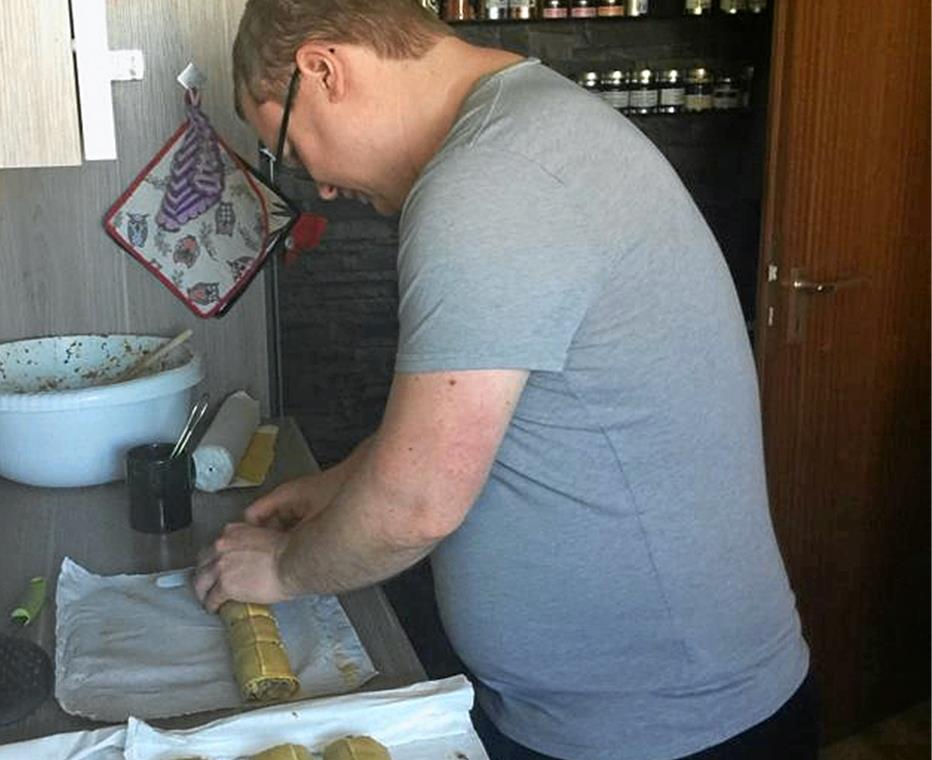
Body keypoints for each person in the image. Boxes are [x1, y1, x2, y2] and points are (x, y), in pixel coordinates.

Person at [192, 2, 816, 758]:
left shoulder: (488, 179)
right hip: (615, 716)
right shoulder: (529, 125)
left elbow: (417, 506)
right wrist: (339, 487)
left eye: (292, 150)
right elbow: (489, 421)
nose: (317, 186)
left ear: (323, 70)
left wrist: (286, 570)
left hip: (665, 730)